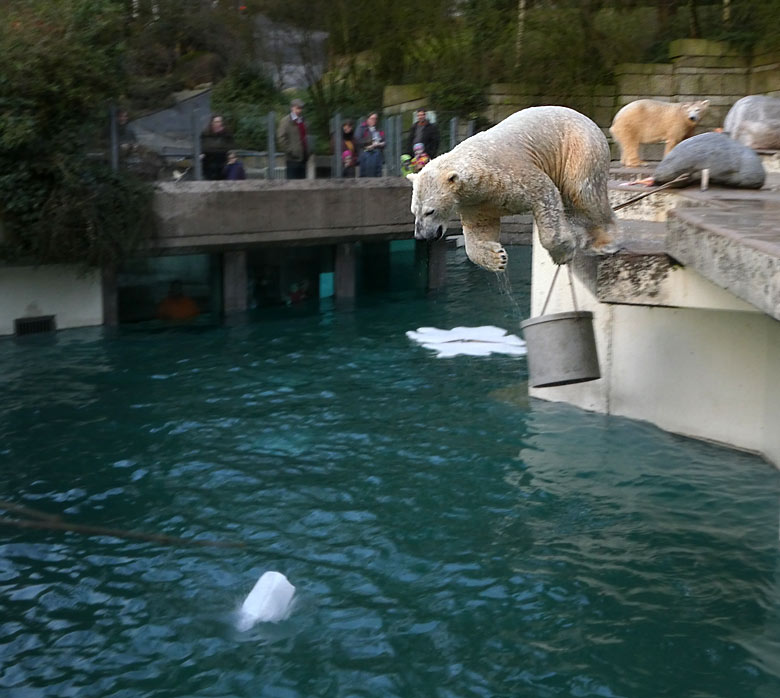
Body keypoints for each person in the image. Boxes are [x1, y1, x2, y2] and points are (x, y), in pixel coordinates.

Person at [277, 98, 308, 179]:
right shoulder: (285, 121)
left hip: (303, 158)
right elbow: (281, 138)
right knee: (292, 184)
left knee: (303, 185)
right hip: (292, 159)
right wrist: (290, 151)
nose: (299, 110)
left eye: (301, 108)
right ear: (292, 108)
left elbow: (305, 136)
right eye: (298, 108)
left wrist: (307, 152)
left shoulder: (302, 120)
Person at [201, 115, 235, 181]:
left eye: (219, 122)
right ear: (212, 123)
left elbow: (230, 146)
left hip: (223, 159)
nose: (218, 124)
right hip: (209, 160)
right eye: (216, 122)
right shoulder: (205, 134)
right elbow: (204, 147)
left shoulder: (226, 134)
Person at [355, 112, 385, 177]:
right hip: (365, 153)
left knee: (378, 172)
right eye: (372, 118)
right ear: (367, 119)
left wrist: (380, 143)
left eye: (375, 119)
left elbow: (384, 140)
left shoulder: (378, 129)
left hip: (377, 153)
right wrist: (370, 143)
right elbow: (358, 140)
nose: (374, 120)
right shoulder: (361, 128)